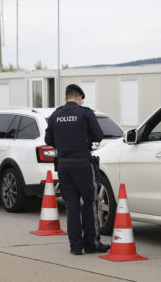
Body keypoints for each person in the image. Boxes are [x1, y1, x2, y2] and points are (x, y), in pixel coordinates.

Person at [44, 84, 110, 255]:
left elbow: (48, 139)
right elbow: (98, 136)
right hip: (83, 164)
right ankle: (91, 244)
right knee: (89, 203)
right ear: (80, 97)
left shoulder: (55, 115)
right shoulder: (85, 113)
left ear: (66, 98)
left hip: (63, 165)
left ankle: (75, 247)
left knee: (72, 206)